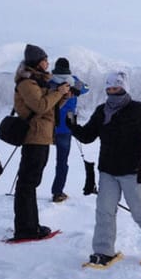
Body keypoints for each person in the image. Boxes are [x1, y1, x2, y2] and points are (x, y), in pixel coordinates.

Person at [71, 71, 141, 266]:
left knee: (140, 212)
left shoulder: (139, 109)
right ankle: (103, 251)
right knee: (104, 211)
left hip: (134, 170)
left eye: (116, 88)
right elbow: (88, 136)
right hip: (108, 169)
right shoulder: (102, 111)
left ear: (124, 88)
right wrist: (73, 127)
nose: (111, 92)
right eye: (109, 88)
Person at [12, 44, 70, 240]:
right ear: (37, 62)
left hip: (42, 136)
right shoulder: (28, 83)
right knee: (27, 183)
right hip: (34, 137)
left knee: (31, 182)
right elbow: (40, 106)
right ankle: (25, 227)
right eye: (45, 60)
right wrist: (58, 93)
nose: (48, 63)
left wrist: (62, 97)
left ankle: (31, 224)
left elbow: (48, 109)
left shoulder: (38, 82)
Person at [49, 57, 90, 203]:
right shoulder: (73, 80)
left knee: (38, 158)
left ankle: (27, 190)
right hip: (67, 125)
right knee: (62, 161)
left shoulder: (50, 81)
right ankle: (57, 192)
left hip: (47, 123)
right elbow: (86, 88)